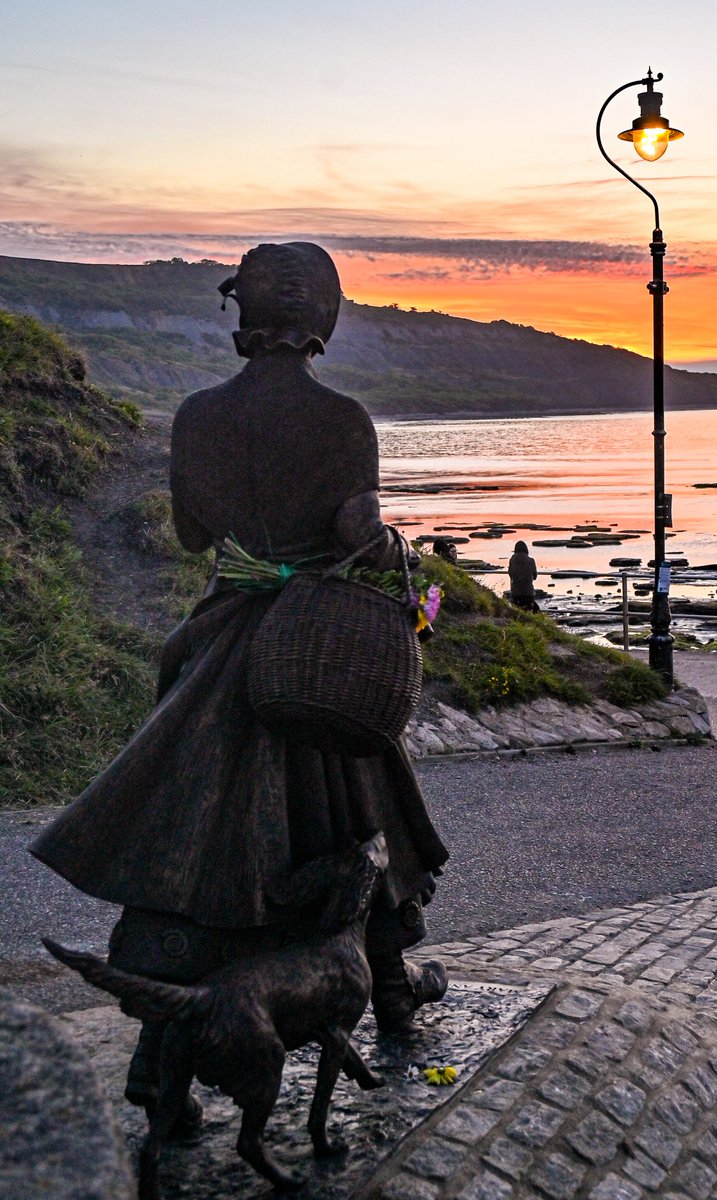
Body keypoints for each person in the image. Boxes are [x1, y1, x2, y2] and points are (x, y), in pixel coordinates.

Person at [30, 243, 448, 1115]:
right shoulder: (343, 421)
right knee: (360, 809)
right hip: (307, 648)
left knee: (194, 835)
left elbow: (191, 536)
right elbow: (355, 536)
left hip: (218, 641)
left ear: (243, 313)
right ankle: (393, 990)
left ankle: (157, 1058)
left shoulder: (197, 415)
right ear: (322, 316)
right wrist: (390, 570)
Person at [507, 539, 539, 611]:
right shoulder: (531, 561)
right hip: (528, 592)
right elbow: (535, 576)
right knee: (531, 610)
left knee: (517, 611)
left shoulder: (512, 560)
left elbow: (510, 574)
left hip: (516, 592)